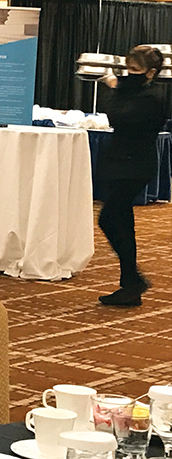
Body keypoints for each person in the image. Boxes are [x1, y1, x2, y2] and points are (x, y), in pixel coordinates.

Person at [95, 45, 167, 307]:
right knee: (123, 223)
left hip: (135, 167)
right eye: (128, 68)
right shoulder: (135, 90)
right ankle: (130, 286)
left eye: (135, 70)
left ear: (150, 73)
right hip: (120, 164)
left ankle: (133, 280)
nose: (129, 74)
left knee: (109, 219)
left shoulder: (151, 97)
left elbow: (118, 116)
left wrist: (114, 88)